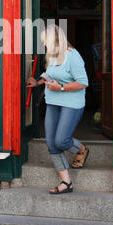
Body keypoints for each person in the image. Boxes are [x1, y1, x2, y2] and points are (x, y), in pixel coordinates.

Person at [27, 24, 89, 194]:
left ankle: (81, 149)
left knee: (61, 140)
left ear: (55, 40)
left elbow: (83, 82)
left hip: (71, 103)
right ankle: (66, 182)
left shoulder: (73, 56)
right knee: (51, 143)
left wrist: (60, 88)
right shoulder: (53, 56)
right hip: (53, 102)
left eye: (45, 41)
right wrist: (38, 82)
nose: (44, 45)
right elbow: (50, 75)